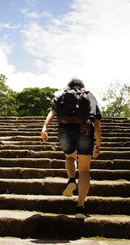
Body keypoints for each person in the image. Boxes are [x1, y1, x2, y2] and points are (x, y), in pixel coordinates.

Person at [40, 78, 102, 219]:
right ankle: (80, 207)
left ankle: (71, 179)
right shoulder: (87, 95)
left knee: (70, 156)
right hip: (85, 130)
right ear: (82, 86)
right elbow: (97, 123)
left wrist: (44, 128)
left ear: (69, 86)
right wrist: (97, 145)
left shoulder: (62, 95)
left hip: (65, 132)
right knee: (85, 170)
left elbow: (52, 112)